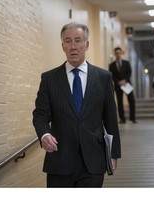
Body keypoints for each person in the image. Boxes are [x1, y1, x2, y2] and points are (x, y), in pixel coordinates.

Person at [32, 22, 121, 187]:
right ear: (62, 46)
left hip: (93, 161)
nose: (73, 46)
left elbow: (110, 119)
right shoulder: (49, 79)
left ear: (86, 45)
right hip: (60, 162)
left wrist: (113, 154)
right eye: (68, 41)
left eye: (78, 40)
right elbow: (40, 115)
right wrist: (44, 134)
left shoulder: (103, 78)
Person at [109, 47, 137, 124]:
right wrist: (118, 82)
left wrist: (125, 80)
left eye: (119, 53)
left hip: (127, 84)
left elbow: (129, 73)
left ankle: (132, 118)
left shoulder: (126, 63)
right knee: (119, 102)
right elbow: (111, 75)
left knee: (132, 100)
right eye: (116, 53)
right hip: (118, 86)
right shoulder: (111, 65)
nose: (118, 54)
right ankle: (122, 119)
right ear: (115, 54)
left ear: (121, 53)